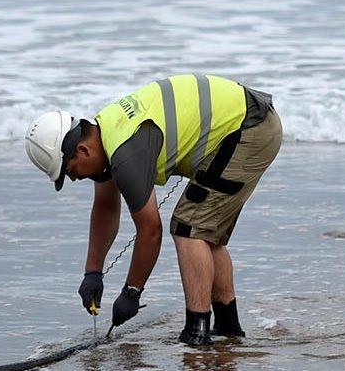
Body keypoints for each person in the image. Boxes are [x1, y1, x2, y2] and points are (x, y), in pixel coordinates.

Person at [24, 74, 281, 347]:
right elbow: (106, 207)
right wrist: (92, 273)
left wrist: (132, 292)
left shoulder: (125, 154)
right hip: (247, 123)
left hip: (249, 129)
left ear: (82, 150)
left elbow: (150, 230)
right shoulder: (107, 133)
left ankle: (197, 332)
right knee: (203, 231)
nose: (74, 179)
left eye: (70, 171)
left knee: (188, 228)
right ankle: (228, 328)